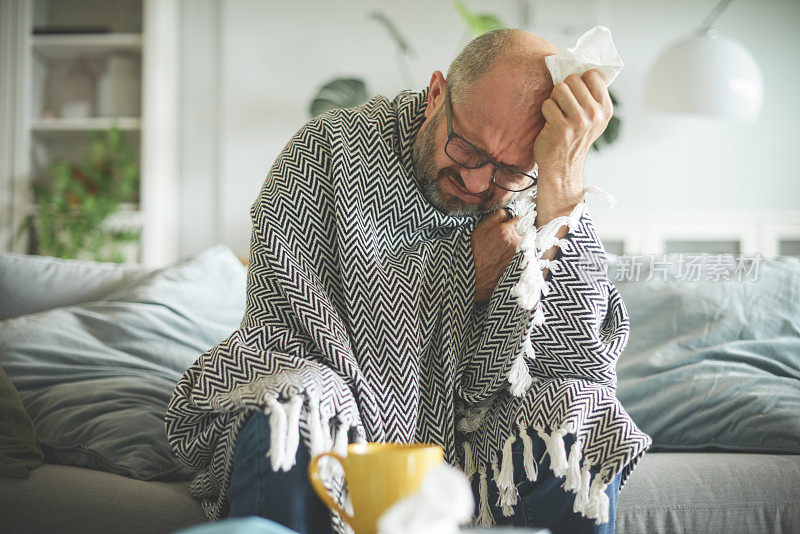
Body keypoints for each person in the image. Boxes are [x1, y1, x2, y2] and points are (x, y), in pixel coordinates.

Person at [165, 28, 651, 534]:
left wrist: (562, 184)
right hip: (343, 405)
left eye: (508, 170)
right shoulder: (327, 154)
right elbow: (289, 334)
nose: (479, 183)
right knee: (293, 408)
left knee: (578, 413)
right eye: (467, 150)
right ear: (436, 94)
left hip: (476, 436)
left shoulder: (545, 182)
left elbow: (572, 363)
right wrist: (466, 279)